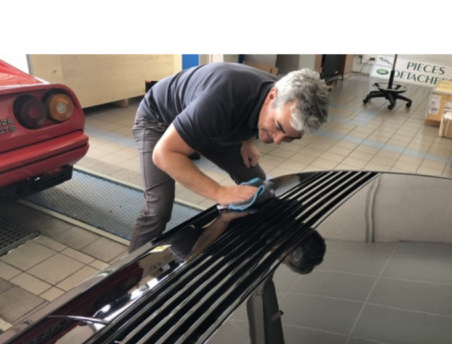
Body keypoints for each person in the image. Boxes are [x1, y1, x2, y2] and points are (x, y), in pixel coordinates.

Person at [128, 62, 330, 251]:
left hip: (209, 124)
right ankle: (129, 273)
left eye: (290, 138)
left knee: (257, 185)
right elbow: (164, 153)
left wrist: (247, 142)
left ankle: (242, 244)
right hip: (159, 120)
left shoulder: (277, 98)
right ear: (272, 97)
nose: (277, 141)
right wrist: (219, 192)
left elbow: (254, 111)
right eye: (277, 127)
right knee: (159, 208)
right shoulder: (223, 98)